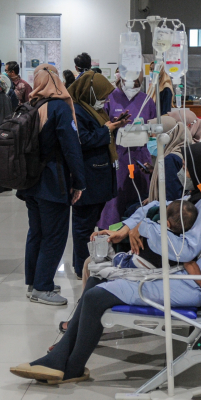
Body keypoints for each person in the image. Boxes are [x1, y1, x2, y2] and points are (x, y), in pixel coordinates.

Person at [10, 141, 201, 385]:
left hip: (188, 285)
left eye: (186, 167)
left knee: (95, 296)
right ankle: (62, 359)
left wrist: (147, 227)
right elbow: (156, 206)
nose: (182, 173)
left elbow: (184, 251)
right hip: (182, 277)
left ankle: (70, 366)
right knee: (98, 280)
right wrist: (126, 228)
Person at [18, 64, 86, 306]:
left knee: (36, 232)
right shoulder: (59, 108)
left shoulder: (31, 105)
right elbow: (71, 148)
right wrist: (79, 182)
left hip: (30, 183)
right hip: (53, 182)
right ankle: (43, 287)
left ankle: (34, 281)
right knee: (54, 235)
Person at [68, 71, 126, 278]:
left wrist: (114, 126)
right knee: (83, 225)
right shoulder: (76, 111)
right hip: (87, 177)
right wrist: (106, 130)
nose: (104, 101)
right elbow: (81, 140)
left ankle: (89, 262)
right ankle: (81, 266)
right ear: (90, 93)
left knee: (90, 222)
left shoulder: (90, 109)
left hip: (98, 174)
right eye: (101, 96)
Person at [96, 72, 157, 230]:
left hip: (140, 156)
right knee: (116, 198)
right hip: (118, 155)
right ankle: (111, 232)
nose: (132, 85)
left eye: (136, 81)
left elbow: (154, 127)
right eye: (128, 80)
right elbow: (101, 127)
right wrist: (114, 125)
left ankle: (138, 229)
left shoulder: (146, 100)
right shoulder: (110, 98)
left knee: (140, 195)